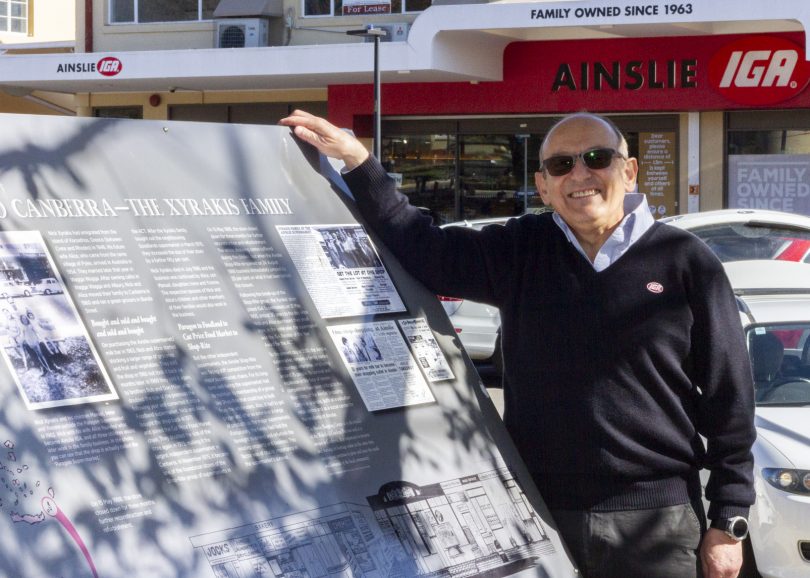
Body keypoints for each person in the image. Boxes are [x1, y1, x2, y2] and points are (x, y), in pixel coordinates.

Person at [281, 110, 756, 578]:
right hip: (538, 516)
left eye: (597, 157)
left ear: (628, 171)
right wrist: (360, 161)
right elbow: (423, 248)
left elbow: (730, 400)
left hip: (657, 524)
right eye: (561, 164)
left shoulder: (686, 262)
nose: (581, 174)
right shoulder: (521, 249)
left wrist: (728, 522)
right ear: (544, 184)